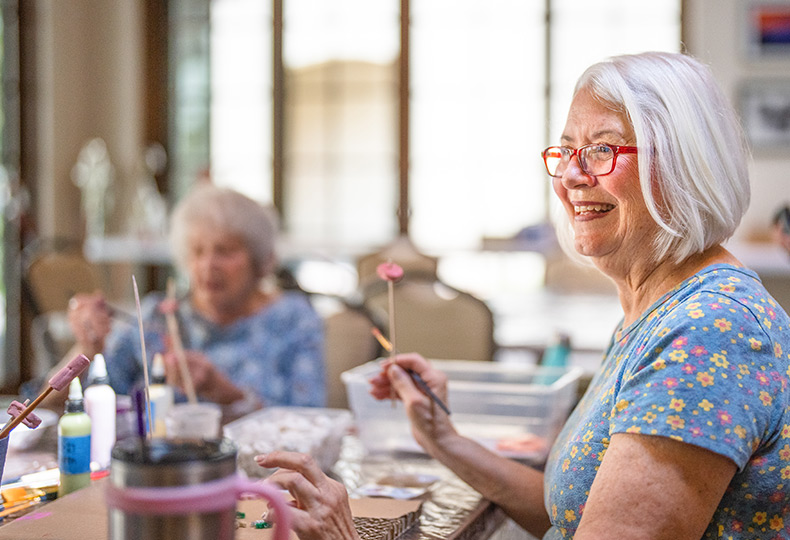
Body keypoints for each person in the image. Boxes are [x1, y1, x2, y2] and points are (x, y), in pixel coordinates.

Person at [255, 51, 790, 540]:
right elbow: (572, 513)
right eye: (568, 151)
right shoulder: (655, 310)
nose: (571, 177)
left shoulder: (708, 328)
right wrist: (444, 438)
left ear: (684, 165)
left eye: (602, 149)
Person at [65, 183, 326, 414]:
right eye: (197, 251)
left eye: (225, 251)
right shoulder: (159, 316)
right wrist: (88, 349)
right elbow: (71, 403)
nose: (208, 265)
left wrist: (230, 397)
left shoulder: (293, 319)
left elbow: (311, 419)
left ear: (260, 259)